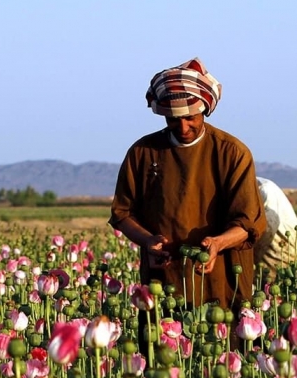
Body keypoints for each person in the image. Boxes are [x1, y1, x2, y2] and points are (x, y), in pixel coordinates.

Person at [110, 57, 267, 311]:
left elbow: (249, 224)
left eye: (190, 117)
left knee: (224, 345)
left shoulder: (232, 152)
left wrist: (217, 244)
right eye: (173, 119)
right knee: (162, 343)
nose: (182, 126)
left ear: (204, 108)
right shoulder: (143, 152)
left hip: (222, 278)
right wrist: (148, 241)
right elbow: (122, 213)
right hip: (164, 279)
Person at [254, 177, 297, 270]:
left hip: (281, 244)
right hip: (277, 242)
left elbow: (266, 228)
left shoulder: (263, 189)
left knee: (286, 271)